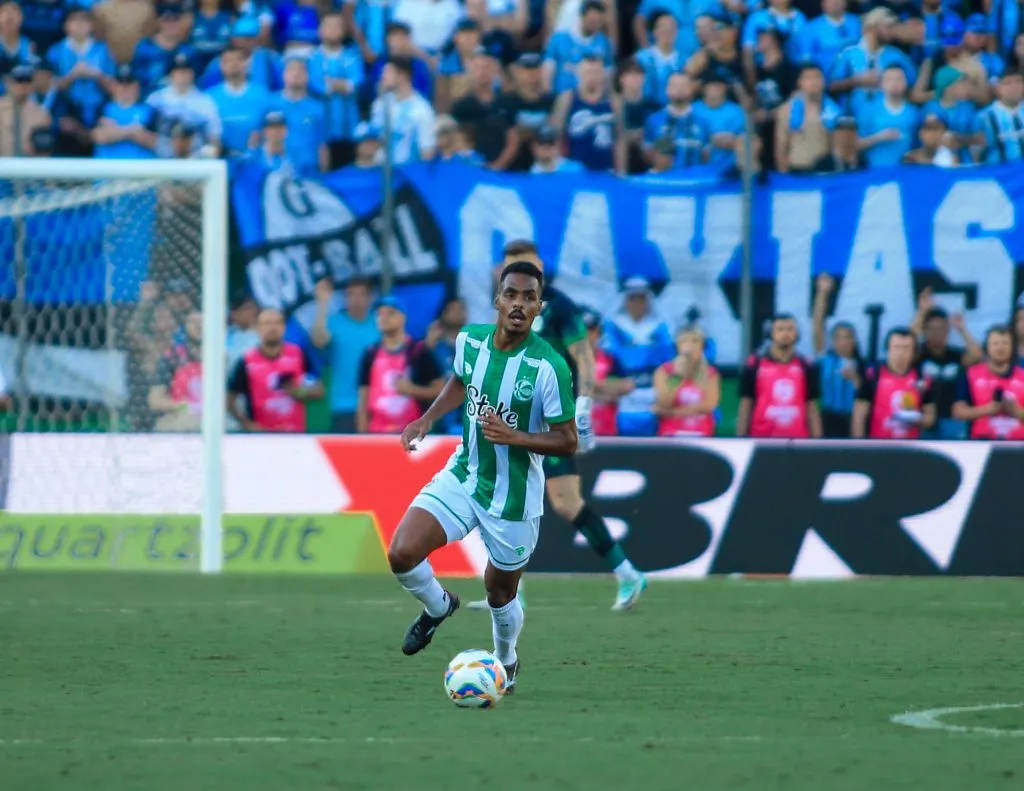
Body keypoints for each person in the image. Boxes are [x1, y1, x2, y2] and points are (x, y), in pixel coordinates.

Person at [388, 261, 578, 693]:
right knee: (402, 553)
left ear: (539, 307)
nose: (519, 304)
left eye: (529, 297)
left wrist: (515, 437)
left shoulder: (549, 367)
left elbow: (568, 441)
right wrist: (426, 418)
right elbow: (460, 381)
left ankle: (506, 659)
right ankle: (438, 607)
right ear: (497, 300)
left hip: (514, 497)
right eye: (511, 294)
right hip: (465, 473)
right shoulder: (470, 340)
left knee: (499, 593)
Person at [468, 241, 646, 612]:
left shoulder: (561, 306)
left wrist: (583, 406)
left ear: (539, 266)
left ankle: (627, 572)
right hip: (512, 416)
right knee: (501, 498)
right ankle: (507, 592)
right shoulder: (505, 304)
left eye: (524, 265)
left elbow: (584, 357)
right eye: (510, 267)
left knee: (566, 503)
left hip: (550, 421)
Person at [357, 297, 444, 434]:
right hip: (376, 433)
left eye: (390, 313)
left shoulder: (420, 352)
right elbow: (364, 398)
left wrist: (412, 390)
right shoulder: (370, 353)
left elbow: (441, 391)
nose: (383, 318)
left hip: (413, 434)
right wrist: (362, 434)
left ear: (403, 318)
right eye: (380, 314)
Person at [227, 308, 323, 433]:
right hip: (261, 436)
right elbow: (228, 400)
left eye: (277, 323)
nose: (272, 328)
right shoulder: (247, 361)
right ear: (257, 329)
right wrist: (247, 424)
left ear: (284, 328)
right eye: (267, 323)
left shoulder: (298, 355)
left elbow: (319, 390)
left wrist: (299, 392)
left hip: (295, 434)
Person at [603, 277, 674, 437]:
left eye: (641, 298)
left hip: (652, 386)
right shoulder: (614, 326)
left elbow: (667, 357)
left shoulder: (659, 326)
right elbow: (609, 358)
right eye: (632, 298)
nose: (637, 303)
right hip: (625, 388)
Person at [910, 289, 983, 440]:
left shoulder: (955, 355)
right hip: (923, 420)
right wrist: (921, 313)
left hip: (953, 421)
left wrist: (962, 329)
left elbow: (978, 356)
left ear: (948, 330)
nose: (936, 333)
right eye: (931, 329)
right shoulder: (918, 355)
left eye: (941, 328)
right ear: (924, 330)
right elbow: (906, 341)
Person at [311, 277, 380, 433]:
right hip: (344, 405)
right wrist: (323, 303)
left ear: (370, 298)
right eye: (351, 294)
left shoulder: (379, 325)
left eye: (361, 294)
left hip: (376, 405)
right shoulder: (335, 323)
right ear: (345, 298)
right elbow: (319, 341)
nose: (356, 299)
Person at [737, 314, 823, 439]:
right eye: (780, 329)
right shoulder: (755, 364)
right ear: (770, 333)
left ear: (797, 334)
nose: (785, 334)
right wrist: (740, 438)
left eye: (790, 329)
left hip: (798, 440)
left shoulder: (806, 366)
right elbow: (746, 404)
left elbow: (811, 407)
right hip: (761, 438)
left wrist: (817, 441)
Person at [852, 328, 935, 439]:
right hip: (878, 443)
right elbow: (859, 416)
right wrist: (859, 445)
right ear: (888, 349)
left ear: (913, 352)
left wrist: (917, 420)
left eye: (906, 348)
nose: (901, 352)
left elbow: (930, 416)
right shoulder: (873, 375)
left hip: (911, 445)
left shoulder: (922, 379)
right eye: (897, 347)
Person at [308, 12, 363, 170]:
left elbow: (355, 84)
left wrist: (332, 84)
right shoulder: (312, 57)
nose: (333, 30)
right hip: (321, 124)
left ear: (344, 31)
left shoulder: (352, 56)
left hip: (348, 125)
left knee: (347, 168)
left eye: (337, 26)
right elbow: (316, 85)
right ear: (320, 30)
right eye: (328, 26)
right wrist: (341, 85)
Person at [551, 52, 622, 172]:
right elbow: (556, 136)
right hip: (574, 170)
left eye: (596, 72)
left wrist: (621, 171)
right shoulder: (567, 99)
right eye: (588, 72)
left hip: (606, 170)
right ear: (579, 73)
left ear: (603, 74)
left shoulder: (614, 101)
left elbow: (620, 140)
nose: (592, 77)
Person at [812, 273, 864, 438]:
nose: (843, 342)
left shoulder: (863, 365)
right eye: (838, 338)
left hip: (852, 421)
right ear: (833, 342)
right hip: (827, 419)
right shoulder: (826, 360)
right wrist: (822, 293)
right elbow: (818, 326)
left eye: (847, 337)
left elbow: (869, 395)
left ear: (854, 340)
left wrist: (855, 379)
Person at [952, 325, 1024, 440]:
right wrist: (988, 409)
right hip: (981, 443)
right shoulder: (971, 375)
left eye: (1005, 343)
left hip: (1018, 444)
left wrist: (1016, 412)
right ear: (987, 347)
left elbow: (1018, 412)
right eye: (995, 344)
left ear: (1012, 347)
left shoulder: (1022, 376)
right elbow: (958, 412)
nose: (1000, 348)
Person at [207, 45, 274, 158]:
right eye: (228, 61)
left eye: (238, 60)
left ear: (247, 63)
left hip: (256, 159)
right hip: (222, 159)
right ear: (221, 66)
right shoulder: (210, 98)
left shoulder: (262, 95)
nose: (234, 65)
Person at [653, 326, 720, 437]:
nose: (689, 345)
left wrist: (672, 412)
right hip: (670, 433)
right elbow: (664, 402)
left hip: (701, 433)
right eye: (684, 341)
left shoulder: (710, 373)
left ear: (702, 346)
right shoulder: (664, 371)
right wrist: (677, 376)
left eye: (695, 341)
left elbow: (708, 406)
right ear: (677, 346)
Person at [370, 55, 436, 165]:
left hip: (408, 171)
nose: (382, 77)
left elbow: (427, 151)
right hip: (379, 169)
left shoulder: (421, 109)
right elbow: (373, 141)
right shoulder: (380, 104)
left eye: (388, 73)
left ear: (402, 76)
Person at [274, 56, 328, 177]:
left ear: (308, 76)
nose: (296, 73)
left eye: (301, 70)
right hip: (276, 171)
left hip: (308, 173)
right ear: (283, 74)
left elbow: (322, 145)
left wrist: (324, 174)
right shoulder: (270, 103)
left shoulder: (318, 108)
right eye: (291, 69)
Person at [92, 65, 158, 159]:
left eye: (129, 83)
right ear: (114, 86)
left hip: (139, 166)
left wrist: (115, 131)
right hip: (108, 166)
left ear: (137, 86)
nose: (124, 87)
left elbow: (155, 143)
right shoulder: (103, 108)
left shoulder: (149, 111)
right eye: (121, 83)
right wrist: (132, 130)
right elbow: (98, 137)